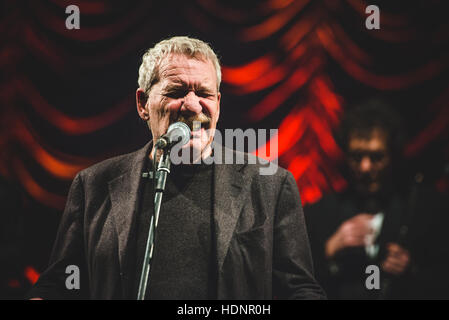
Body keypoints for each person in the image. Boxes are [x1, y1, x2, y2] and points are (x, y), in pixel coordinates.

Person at [27, 36, 325, 300]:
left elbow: (299, 289)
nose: (193, 106)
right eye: (176, 91)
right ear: (143, 103)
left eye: (205, 94)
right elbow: (61, 285)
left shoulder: (269, 184)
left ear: (218, 104)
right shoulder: (94, 185)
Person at [305, 98, 449, 299]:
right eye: (356, 157)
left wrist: (412, 271)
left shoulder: (424, 208)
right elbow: (295, 285)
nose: (365, 168)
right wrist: (329, 251)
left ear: (393, 156)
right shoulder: (319, 213)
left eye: (376, 157)